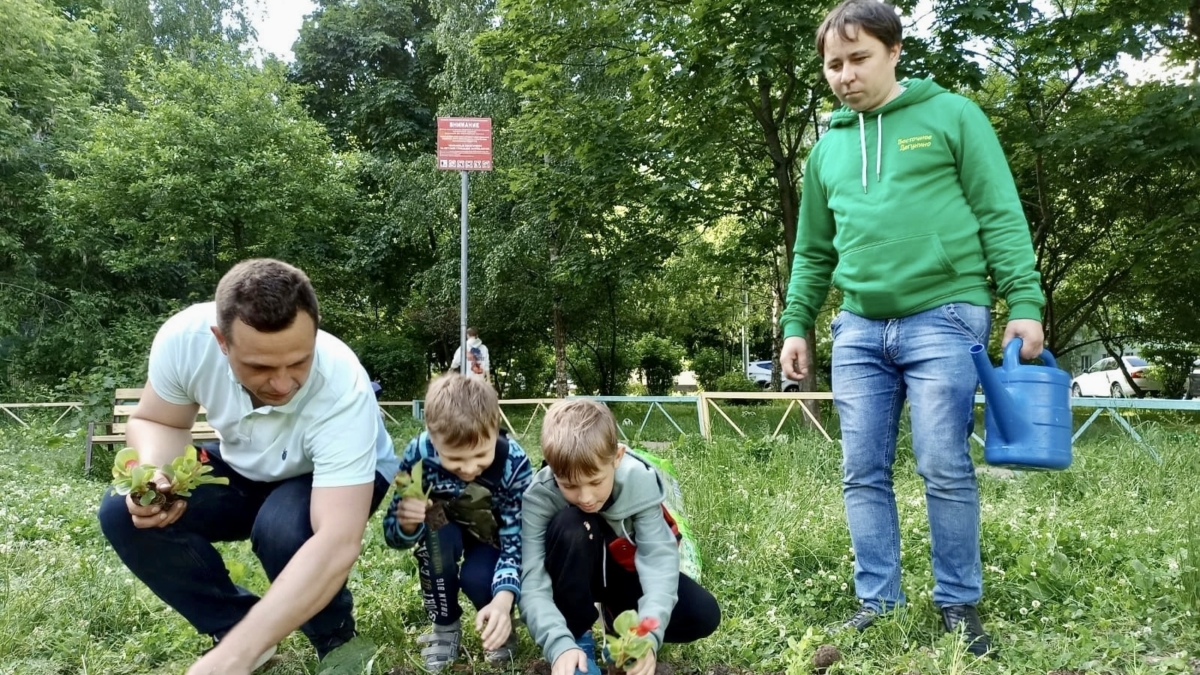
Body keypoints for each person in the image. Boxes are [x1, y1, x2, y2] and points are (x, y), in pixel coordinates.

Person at [779, 0, 1046, 658]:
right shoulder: (827, 151)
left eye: (858, 58)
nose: (844, 74)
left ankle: (958, 602)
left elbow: (999, 213)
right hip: (860, 329)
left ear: (895, 52)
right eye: (832, 64)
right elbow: (813, 251)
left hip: (945, 314)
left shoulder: (952, 116)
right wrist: (796, 323)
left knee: (942, 462)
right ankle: (879, 599)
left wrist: (1025, 300)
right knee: (861, 469)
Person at [97, 259, 400, 675]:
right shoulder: (184, 340)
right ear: (221, 341)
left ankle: (336, 640)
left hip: (329, 476)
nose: (282, 383)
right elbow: (156, 420)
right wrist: (155, 472)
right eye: (260, 367)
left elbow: (336, 541)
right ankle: (237, 627)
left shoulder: (342, 382)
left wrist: (229, 661)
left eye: (299, 362)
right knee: (122, 511)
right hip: (246, 465)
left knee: (283, 529)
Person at [519, 399, 721, 675]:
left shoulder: (640, 480)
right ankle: (577, 640)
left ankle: (621, 634)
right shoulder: (538, 496)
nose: (586, 498)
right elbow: (532, 581)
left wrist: (647, 635)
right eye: (569, 486)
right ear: (553, 470)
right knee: (573, 523)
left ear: (617, 457)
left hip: (622, 573)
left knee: (702, 613)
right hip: (568, 579)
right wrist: (559, 644)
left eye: (595, 482)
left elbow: (659, 564)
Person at [381, 373, 533, 672]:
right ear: (432, 437)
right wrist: (408, 524)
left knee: (478, 578)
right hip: (444, 529)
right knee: (438, 540)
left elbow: (517, 541)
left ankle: (497, 621)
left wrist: (503, 600)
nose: (468, 468)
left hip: (492, 535)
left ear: (495, 427)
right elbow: (393, 533)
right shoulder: (417, 456)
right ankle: (445, 625)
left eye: (480, 455)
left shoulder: (514, 464)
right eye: (454, 458)